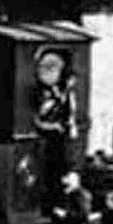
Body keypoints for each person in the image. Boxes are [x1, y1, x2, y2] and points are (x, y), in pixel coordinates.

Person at [34, 51, 79, 202]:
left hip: (60, 135)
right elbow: (37, 119)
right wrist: (52, 126)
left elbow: (70, 115)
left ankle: (63, 190)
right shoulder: (43, 93)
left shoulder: (62, 93)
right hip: (47, 135)